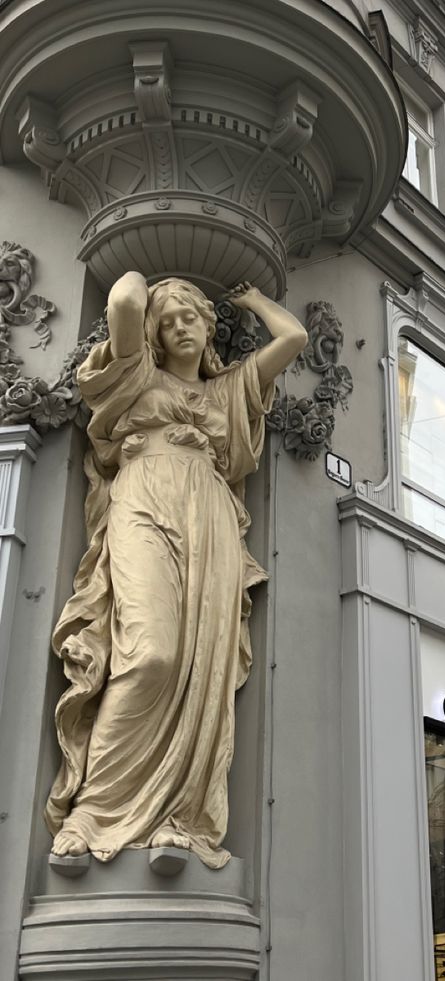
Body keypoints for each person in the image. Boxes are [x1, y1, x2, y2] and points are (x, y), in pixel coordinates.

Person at [45, 271, 307, 869]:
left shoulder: (229, 390)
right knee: (152, 654)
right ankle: (90, 812)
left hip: (209, 515)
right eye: (168, 321)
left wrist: (252, 301)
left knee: (201, 668)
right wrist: (149, 284)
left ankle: (179, 819)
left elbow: (291, 338)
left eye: (190, 316)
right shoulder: (139, 375)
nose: (179, 326)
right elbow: (123, 299)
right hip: (142, 500)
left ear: (209, 326)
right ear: (155, 336)